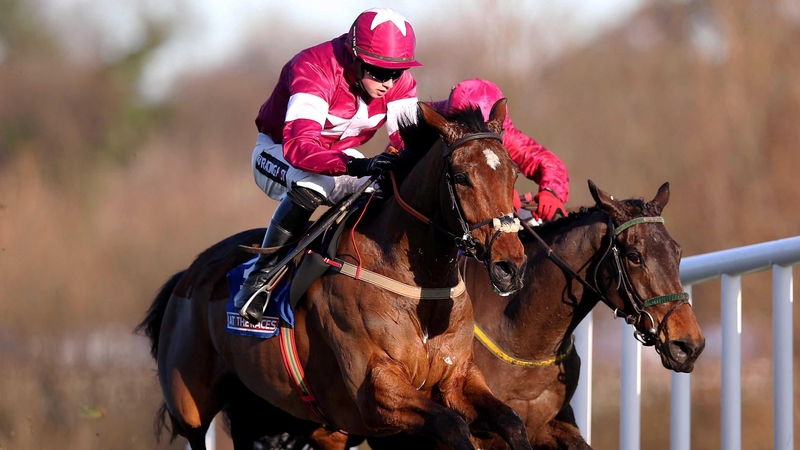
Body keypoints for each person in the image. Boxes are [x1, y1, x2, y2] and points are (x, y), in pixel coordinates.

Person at [235, 7, 422, 323]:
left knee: (388, 190)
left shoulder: (400, 83)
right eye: (378, 71)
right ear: (353, 56)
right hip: (278, 153)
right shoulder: (315, 67)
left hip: (340, 162)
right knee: (313, 182)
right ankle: (258, 280)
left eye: (396, 72)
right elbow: (299, 149)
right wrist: (355, 166)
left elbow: (408, 143)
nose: (388, 82)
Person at [436, 79, 569, 222]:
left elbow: (549, 163)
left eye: (489, 129)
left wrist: (551, 192)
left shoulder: (507, 136)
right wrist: (502, 196)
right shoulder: (435, 123)